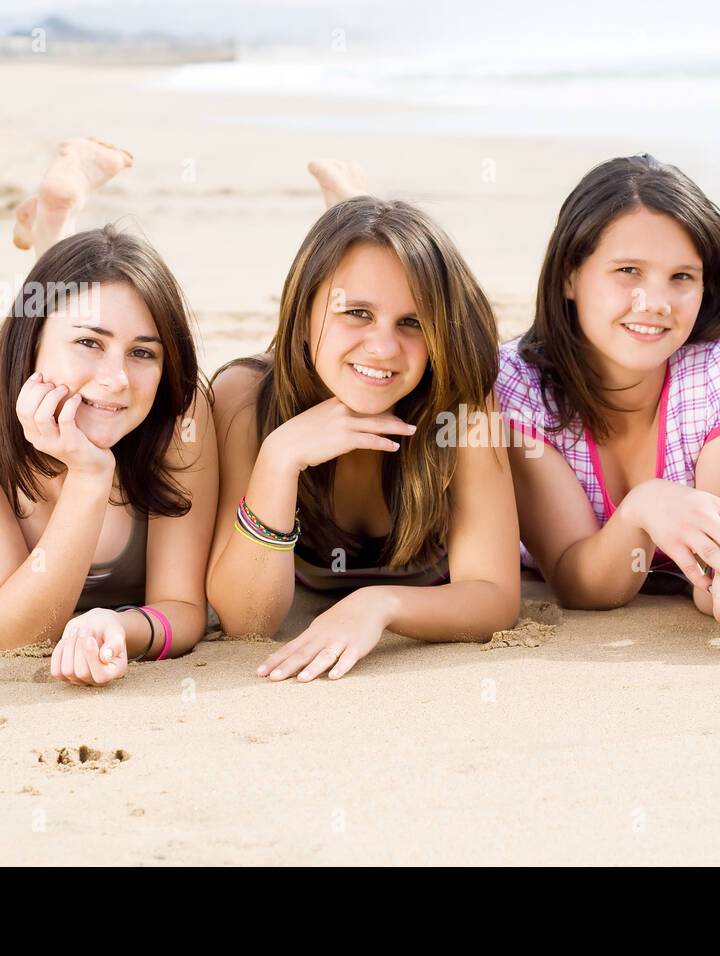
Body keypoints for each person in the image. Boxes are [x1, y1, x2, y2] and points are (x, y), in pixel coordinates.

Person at [0, 138, 218, 684]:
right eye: (90, 345)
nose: (119, 378)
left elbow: (183, 608)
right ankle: (54, 231)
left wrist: (119, 626)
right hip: (22, 368)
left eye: (145, 352)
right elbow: (17, 634)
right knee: (68, 322)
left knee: (87, 331)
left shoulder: (180, 411)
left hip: (55, 340)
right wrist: (88, 477)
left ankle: (53, 226)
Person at [207, 164, 520, 681]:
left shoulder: (460, 405)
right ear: (302, 312)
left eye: (413, 322)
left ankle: (352, 211)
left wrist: (379, 605)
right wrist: (279, 460)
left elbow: (495, 597)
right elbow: (248, 621)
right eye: (356, 313)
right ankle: (350, 209)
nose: (383, 347)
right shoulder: (244, 400)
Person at [495, 154, 720, 648]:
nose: (656, 303)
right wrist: (646, 504)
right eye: (628, 271)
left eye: (682, 277)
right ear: (569, 276)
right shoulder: (518, 386)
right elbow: (579, 583)